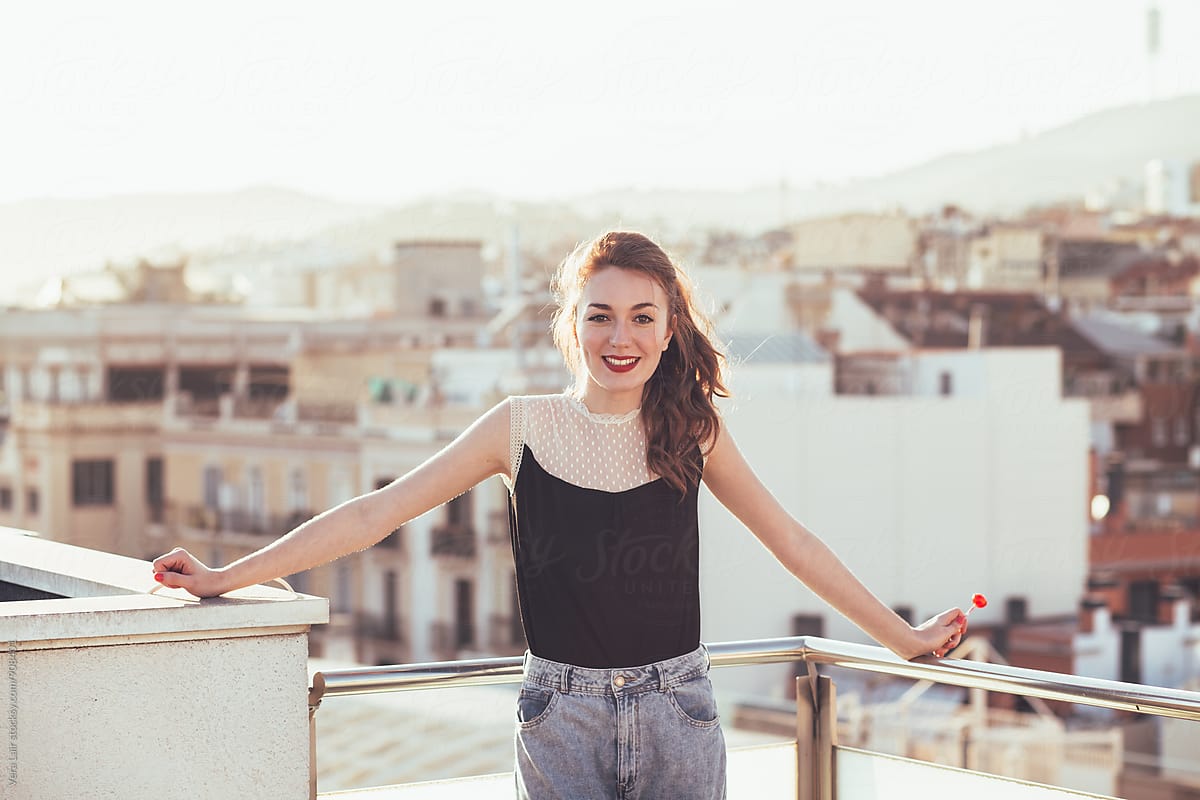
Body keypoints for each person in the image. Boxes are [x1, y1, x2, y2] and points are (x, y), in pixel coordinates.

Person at [153, 230, 966, 799]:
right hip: (559, 720)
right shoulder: (519, 427)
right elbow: (375, 514)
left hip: (679, 712)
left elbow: (793, 543)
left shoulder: (692, 429)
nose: (622, 336)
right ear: (571, 326)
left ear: (669, 327)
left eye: (643, 317)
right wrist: (227, 577)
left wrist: (906, 640)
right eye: (601, 315)